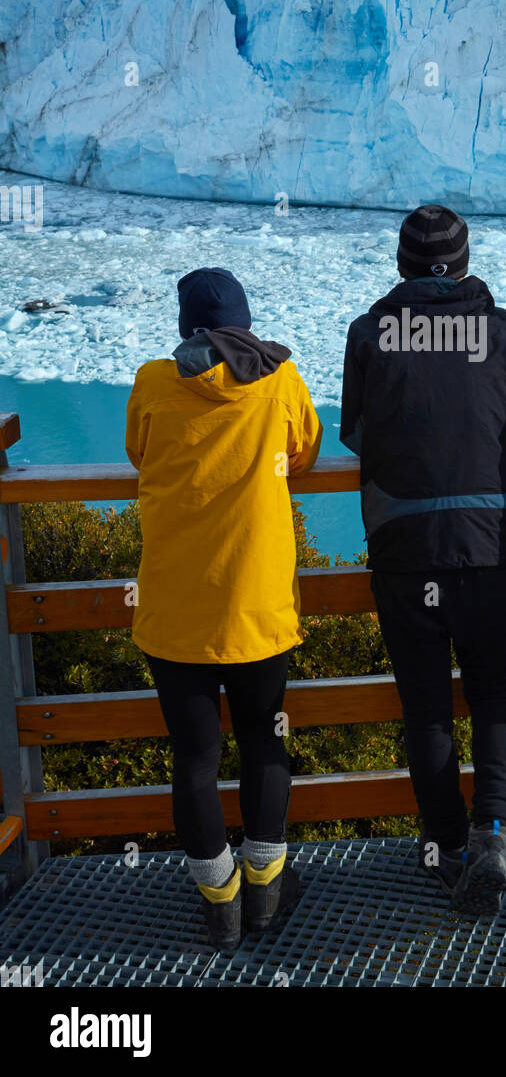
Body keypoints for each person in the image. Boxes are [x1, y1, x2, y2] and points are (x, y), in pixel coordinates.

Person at [125, 267, 322, 950]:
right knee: (266, 746)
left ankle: (221, 903)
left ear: (186, 327)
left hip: (176, 610)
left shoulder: (154, 383)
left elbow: (137, 450)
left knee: (195, 759)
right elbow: (305, 451)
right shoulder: (280, 381)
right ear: (244, 323)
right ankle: (267, 893)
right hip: (258, 608)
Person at [340, 205, 506, 914]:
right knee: (494, 694)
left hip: (405, 549)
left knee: (427, 710)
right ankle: (495, 840)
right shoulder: (505, 331)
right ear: (466, 259)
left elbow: (355, 433)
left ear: (402, 263)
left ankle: (447, 849)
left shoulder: (370, 333)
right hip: (487, 546)